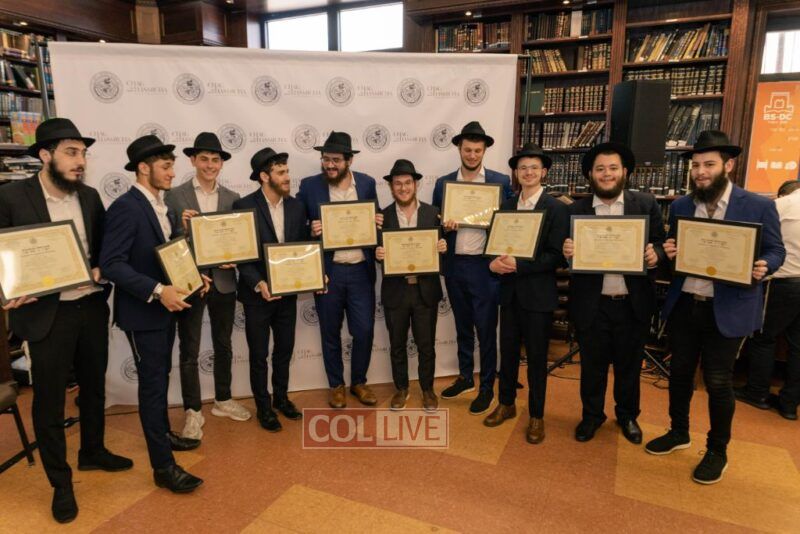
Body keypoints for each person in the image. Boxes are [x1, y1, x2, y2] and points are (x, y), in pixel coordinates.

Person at [0, 118, 132, 523]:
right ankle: (61, 482)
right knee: (49, 400)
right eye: (71, 153)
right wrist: (8, 290)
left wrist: (102, 268)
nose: (81, 161)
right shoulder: (11, 196)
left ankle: (92, 451)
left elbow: (104, 249)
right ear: (45, 154)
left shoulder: (89, 197)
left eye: (84, 153)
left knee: (94, 387)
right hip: (46, 314)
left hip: (89, 306)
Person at [645, 130, 785, 485]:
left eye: (708, 164)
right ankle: (679, 432)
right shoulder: (682, 206)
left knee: (718, 381)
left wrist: (764, 265)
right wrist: (669, 251)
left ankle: (717, 450)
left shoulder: (758, 205)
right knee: (679, 374)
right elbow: (674, 251)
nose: (701, 172)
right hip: (685, 304)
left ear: (728, 165)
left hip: (728, 307)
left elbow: (775, 250)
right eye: (695, 166)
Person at [100, 135, 209, 493]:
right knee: (152, 387)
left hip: (166, 310)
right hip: (143, 313)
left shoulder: (163, 206)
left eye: (172, 166)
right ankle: (163, 467)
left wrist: (193, 277)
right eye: (166, 166)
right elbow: (111, 264)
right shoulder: (126, 207)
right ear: (143, 168)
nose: (172, 173)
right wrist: (160, 290)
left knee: (160, 379)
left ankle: (163, 436)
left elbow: (169, 255)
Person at [562, 142, 665, 444]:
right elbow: (563, 254)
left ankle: (628, 415)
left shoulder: (645, 204)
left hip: (632, 303)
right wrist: (567, 253)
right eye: (600, 169)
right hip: (592, 304)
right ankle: (592, 416)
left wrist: (656, 255)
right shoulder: (576, 210)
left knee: (629, 367)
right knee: (592, 367)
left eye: (612, 168)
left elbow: (661, 243)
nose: (606, 174)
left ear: (625, 172)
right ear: (590, 175)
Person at [165, 132, 250, 442]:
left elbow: (238, 239)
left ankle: (223, 399)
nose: (210, 165)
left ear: (221, 164)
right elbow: (167, 241)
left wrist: (235, 257)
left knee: (223, 343)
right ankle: (192, 410)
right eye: (204, 159)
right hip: (189, 282)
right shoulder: (174, 196)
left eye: (215, 160)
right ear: (193, 161)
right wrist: (182, 229)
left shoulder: (232, 198)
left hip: (224, 282)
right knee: (189, 348)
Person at [482, 143, 569, 444]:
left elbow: (556, 256)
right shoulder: (506, 207)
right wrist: (492, 263)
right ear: (516, 174)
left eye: (534, 167)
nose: (528, 172)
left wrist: (519, 265)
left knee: (536, 359)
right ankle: (505, 403)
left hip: (538, 297)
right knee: (507, 355)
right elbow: (493, 247)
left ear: (543, 172)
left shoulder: (556, 209)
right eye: (522, 168)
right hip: (509, 295)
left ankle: (536, 415)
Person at [431, 121, 513, 415]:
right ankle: (466, 377)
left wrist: (495, 223)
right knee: (462, 326)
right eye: (467, 150)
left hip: (484, 267)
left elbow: (509, 224)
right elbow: (436, 225)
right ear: (459, 149)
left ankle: (487, 386)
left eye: (477, 150)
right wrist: (445, 227)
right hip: (455, 265)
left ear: (485, 151)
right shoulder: (443, 184)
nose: (472, 155)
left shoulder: (500, 181)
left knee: (486, 329)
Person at [297, 131, 382, 409]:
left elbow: (375, 222)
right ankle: (336, 385)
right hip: (329, 272)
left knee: (364, 330)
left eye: (335, 160)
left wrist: (378, 223)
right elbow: (295, 225)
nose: (329, 165)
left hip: (360, 272)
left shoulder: (367, 184)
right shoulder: (309, 186)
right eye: (326, 159)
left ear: (349, 161)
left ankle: (359, 382)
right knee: (330, 332)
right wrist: (310, 229)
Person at [233, 148, 309, 431]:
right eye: (280, 173)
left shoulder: (297, 206)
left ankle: (281, 398)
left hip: (287, 294)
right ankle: (263, 408)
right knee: (258, 355)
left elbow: (302, 248)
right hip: (257, 296)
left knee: (284, 349)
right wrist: (258, 282)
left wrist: (314, 271)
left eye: (287, 171)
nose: (287, 177)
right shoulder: (244, 206)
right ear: (264, 177)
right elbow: (242, 254)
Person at [374, 159, 447, 412]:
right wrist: (378, 253)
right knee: (397, 345)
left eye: (407, 183)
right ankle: (402, 388)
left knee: (426, 345)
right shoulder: (381, 217)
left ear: (416, 185)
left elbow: (441, 248)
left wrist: (443, 246)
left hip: (425, 290)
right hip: (396, 291)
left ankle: (427, 389)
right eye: (398, 184)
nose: (403, 188)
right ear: (391, 187)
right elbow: (374, 247)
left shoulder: (433, 213)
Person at [735, 179, 800, 421]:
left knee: (764, 337)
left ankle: (757, 392)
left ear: (782, 193)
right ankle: (789, 404)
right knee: (798, 346)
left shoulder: (781, 205)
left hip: (783, 281)